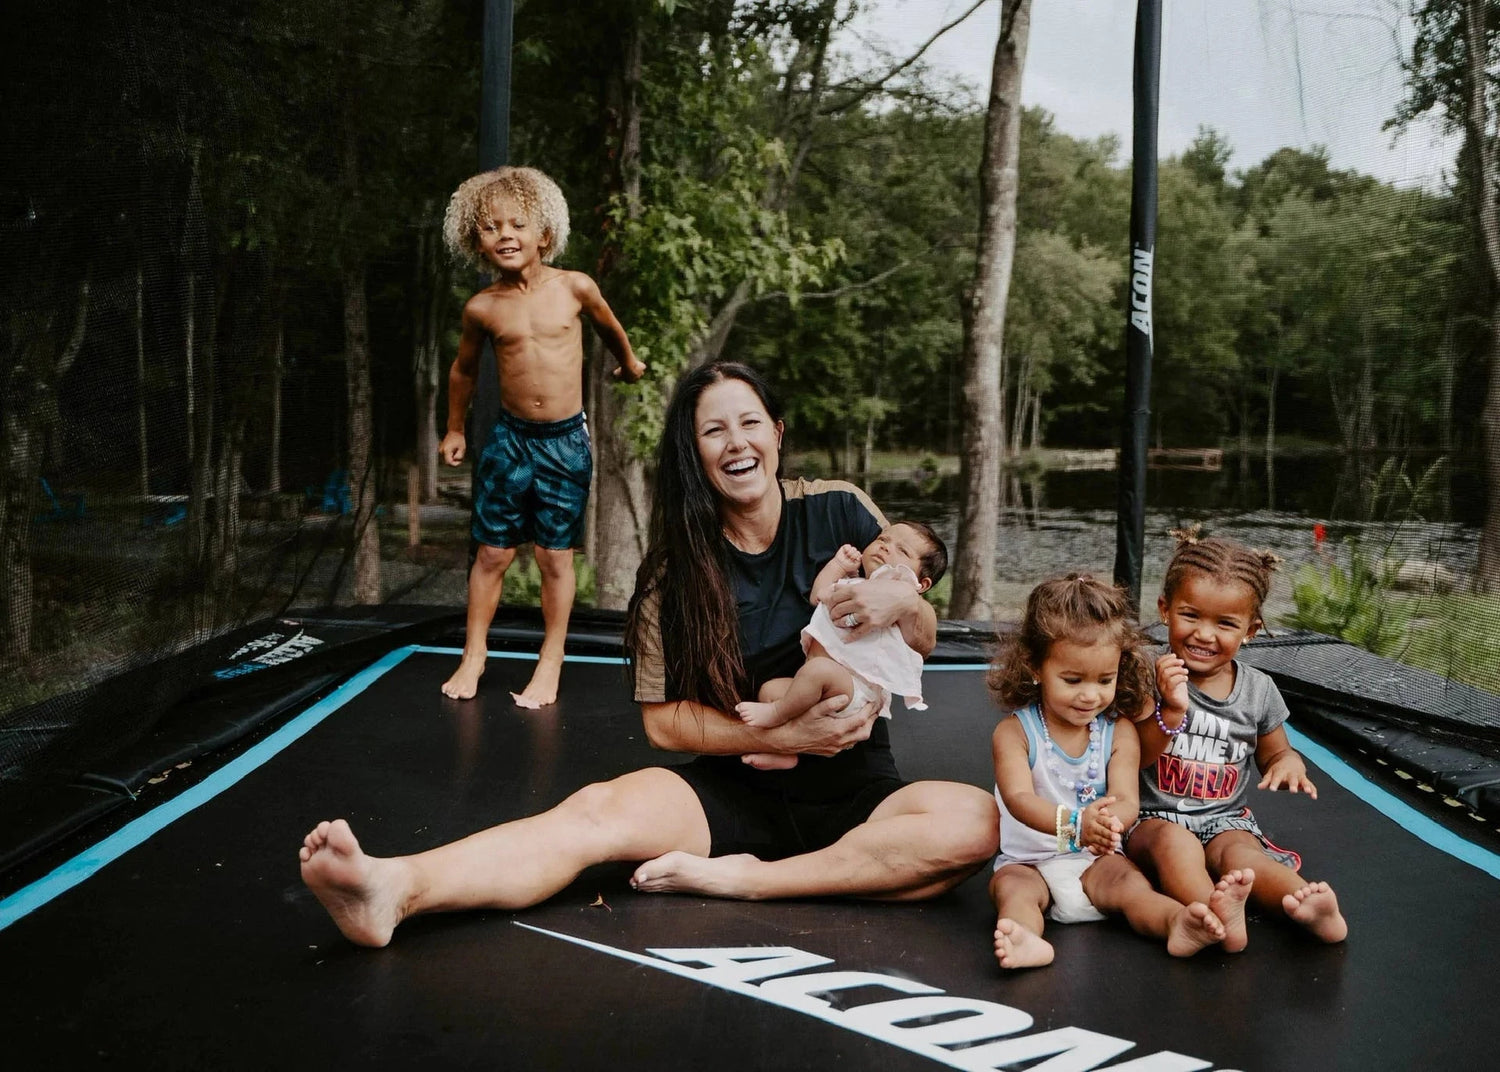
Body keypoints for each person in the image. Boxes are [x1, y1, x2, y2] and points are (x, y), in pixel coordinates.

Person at [298, 361, 997, 947]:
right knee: (594, 814)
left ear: (777, 434)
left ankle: (752, 880)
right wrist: (784, 733)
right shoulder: (673, 572)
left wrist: (908, 604)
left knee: (976, 823)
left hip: (860, 789)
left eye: (750, 423)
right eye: (713, 430)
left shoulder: (843, 510)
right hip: (733, 790)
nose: (736, 442)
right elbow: (664, 726)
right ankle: (397, 888)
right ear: (694, 454)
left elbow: (917, 629)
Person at [437, 166, 646, 706]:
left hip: (564, 443)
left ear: (543, 235)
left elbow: (609, 325)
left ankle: (550, 660)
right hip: (510, 441)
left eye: (517, 224)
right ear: (477, 243)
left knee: (554, 558)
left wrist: (628, 362)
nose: (505, 234)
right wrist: (455, 427)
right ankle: (474, 654)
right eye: (490, 228)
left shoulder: (575, 286)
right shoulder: (482, 307)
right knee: (492, 554)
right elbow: (463, 370)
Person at [987, 574, 1229, 970]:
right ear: (1035, 666)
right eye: (1072, 680)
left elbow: (1127, 799)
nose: (1090, 695)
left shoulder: (1118, 732)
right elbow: (1018, 799)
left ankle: (1176, 923)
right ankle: (1027, 939)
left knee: (1132, 886)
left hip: (1094, 859)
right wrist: (1076, 825)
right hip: (1028, 860)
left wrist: (1105, 825)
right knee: (1012, 891)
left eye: (1105, 680)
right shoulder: (1015, 733)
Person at [1127, 529, 1348, 951]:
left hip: (1225, 819)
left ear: (1251, 629)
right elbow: (1134, 757)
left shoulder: (1258, 690)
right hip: (1152, 818)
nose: (1205, 635)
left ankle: (1304, 904)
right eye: (1191, 615)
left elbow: (1276, 750)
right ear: (1165, 610)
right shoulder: (1146, 672)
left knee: (1243, 858)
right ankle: (1212, 913)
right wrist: (1170, 710)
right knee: (1176, 845)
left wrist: (1288, 763)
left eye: (1225, 623)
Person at [733, 520, 947, 771]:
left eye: (903, 551)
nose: (885, 548)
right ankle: (785, 752)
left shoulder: (897, 610)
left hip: (853, 691)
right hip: (816, 684)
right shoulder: (851, 584)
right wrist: (837, 566)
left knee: (818, 671)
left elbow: (918, 642)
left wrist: (905, 597)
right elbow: (819, 595)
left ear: (921, 584)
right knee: (770, 690)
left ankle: (778, 714)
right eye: (883, 540)